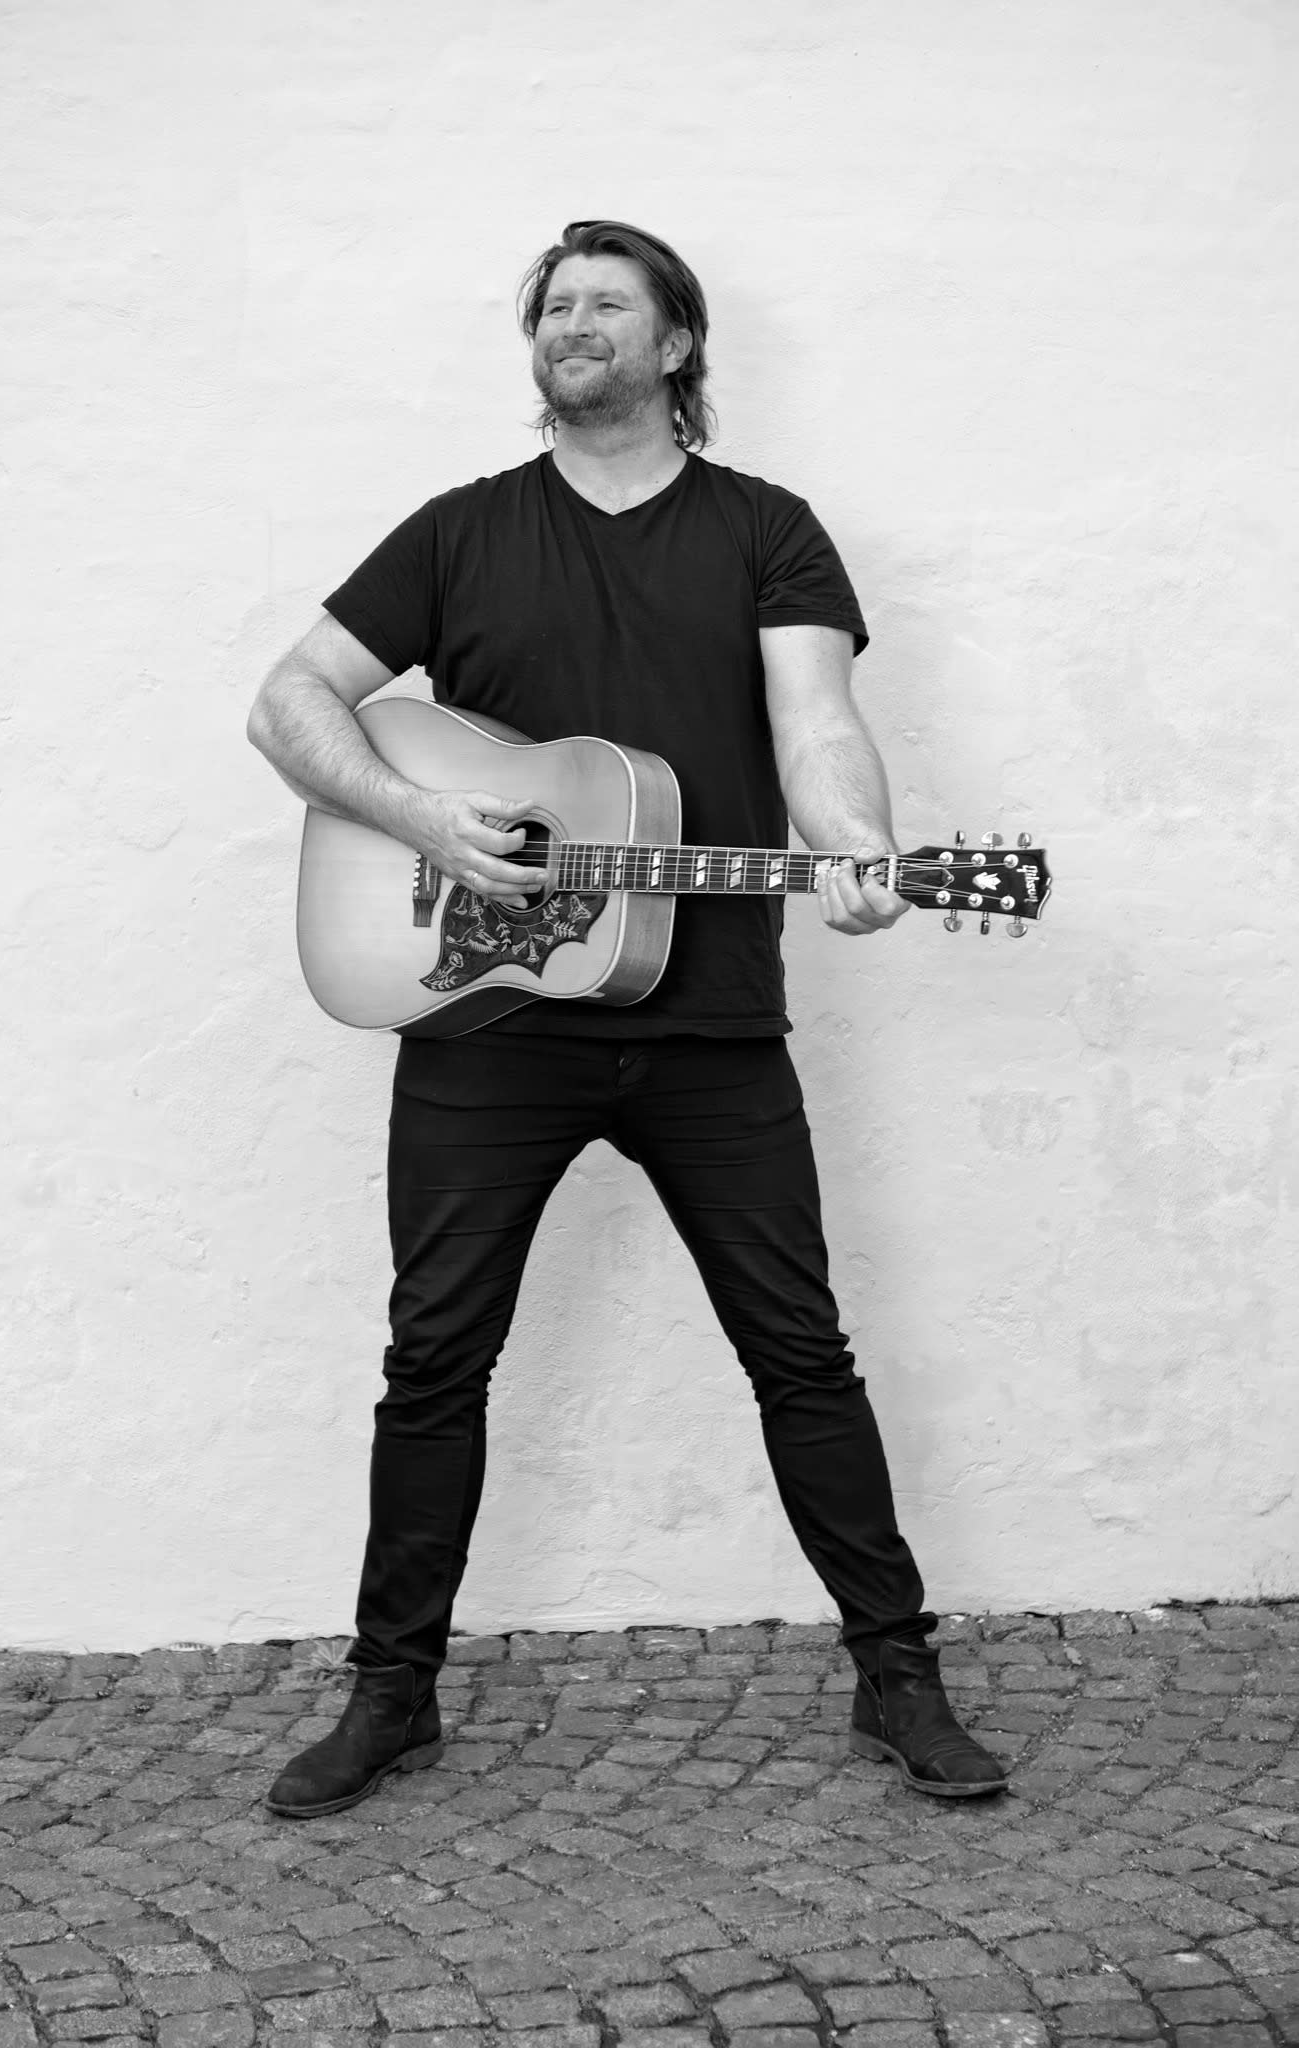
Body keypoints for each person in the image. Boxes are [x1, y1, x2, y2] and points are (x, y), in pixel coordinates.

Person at [247, 220, 1009, 1816]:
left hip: (710, 1026)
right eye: (554, 307)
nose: (571, 324)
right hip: (483, 1028)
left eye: (608, 303)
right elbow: (289, 700)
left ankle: (898, 1677)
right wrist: (421, 817)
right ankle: (391, 1696)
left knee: (800, 1352)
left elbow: (818, 722)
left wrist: (858, 846)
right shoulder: (459, 533)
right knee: (434, 1362)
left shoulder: (766, 531)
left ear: (676, 346)